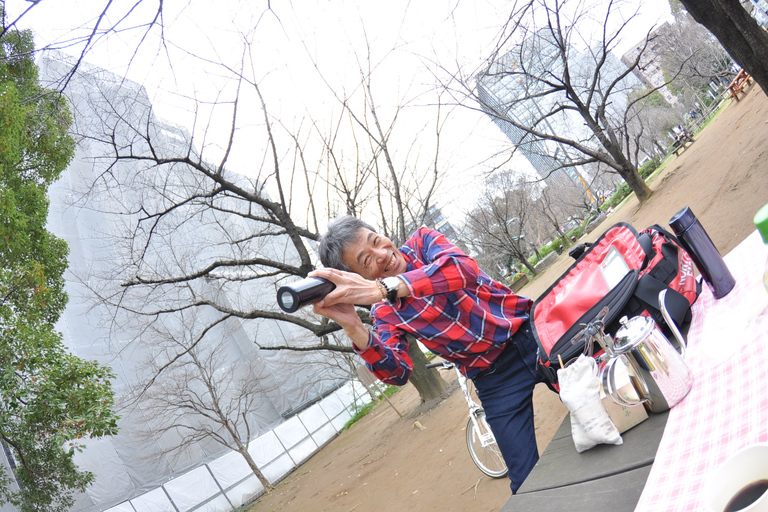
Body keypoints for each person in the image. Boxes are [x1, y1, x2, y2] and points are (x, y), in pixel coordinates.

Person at [310, 215, 543, 493]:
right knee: (527, 484)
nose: (383, 254)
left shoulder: (422, 241)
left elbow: (463, 269)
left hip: (533, 333)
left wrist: (387, 286)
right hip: (494, 377)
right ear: (357, 279)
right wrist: (354, 327)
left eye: (376, 241)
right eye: (366, 260)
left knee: (594, 392)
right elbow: (397, 373)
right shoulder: (384, 313)